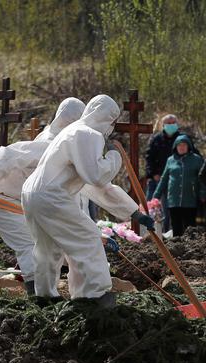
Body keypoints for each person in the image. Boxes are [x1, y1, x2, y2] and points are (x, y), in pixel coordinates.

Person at [21, 95, 154, 306]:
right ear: (106, 118)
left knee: (47, 248)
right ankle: (93, 297)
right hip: (51, 196)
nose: (111, 128)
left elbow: (93, 186)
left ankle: (45, 297)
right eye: (112, 122)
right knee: (88, 240)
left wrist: (133, 212)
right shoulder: (88, 134)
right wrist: (114, 158)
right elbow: (96, 176)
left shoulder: (71, 132)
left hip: (32, 193)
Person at [0, 97, 86, 295]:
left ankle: (44, 293)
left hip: (23, 202)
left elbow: (74, 192)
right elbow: (8, 155)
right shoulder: (51, 144)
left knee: (48, 248)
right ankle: (37, 296)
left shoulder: (64, 145)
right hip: (0, 200)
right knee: (30, 245)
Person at [151, 135, 204, 236]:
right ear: (175, 147)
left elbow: (202, 178)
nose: (182, 147)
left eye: (184, 145)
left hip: (190, 199)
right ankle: (177, 248)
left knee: (190, 228)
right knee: (176, 228)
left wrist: (202, 193)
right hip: (173, 200)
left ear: (188, 146)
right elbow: (164, 179)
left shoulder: (196, 160)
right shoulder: (170, 160)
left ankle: (191, 248)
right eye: (179, 145)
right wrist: (156, 196)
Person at [145, 114, 180, 231]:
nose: (171, 125)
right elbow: (149, 158)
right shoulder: (156, 139)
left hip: (175, 180)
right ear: (163, 125)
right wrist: (153, 174)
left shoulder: (182, 139)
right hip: (157, 178)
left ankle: (167, 231)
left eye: (173, 122)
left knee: (169, 209)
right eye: (168, 123)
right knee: (151, 206)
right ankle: (148, 230)